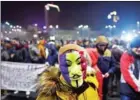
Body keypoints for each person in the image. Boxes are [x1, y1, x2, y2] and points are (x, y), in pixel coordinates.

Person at [86, 35, 117, 100]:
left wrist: (109, 72)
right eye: (101, 45)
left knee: (104, 93)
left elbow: (114, 65)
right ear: (97, 45)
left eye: (104, 45)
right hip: (95, 79)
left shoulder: (109, 53)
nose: (103, 47)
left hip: (106, 79)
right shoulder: (92, 52)